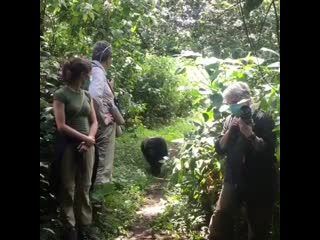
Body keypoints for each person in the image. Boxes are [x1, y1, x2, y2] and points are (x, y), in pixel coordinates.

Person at [208, 82, 278, 240]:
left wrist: (250, 134)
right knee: (221, 220)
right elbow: (219, 148)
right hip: (233, 178)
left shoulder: (262, 118)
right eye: (230, 103)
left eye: (235, 102)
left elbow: (268, 151)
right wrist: (230, 131)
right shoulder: (230, 119)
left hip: (260, 182)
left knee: (258, 227)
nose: (232, 106)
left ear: (246, 99)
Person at [53, 58, 98, 240]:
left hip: (87, 147)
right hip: (69, 147)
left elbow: (94, 121)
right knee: (68, 187)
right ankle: (70, 228)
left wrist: (90, 139)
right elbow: (61, 125)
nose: (90, 77)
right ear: (82, 74)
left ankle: (85, 226)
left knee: (85, 186)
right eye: (88, 73)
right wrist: (84, 138)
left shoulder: (87, 95)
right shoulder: (61, 94)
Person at [88, 41, 116, 186]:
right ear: (107, 58)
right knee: (103, 161)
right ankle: (99, 198)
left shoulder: (91, 69)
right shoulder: (98, 72)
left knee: (96, 160)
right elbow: (93, 96)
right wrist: (102, 117)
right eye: (111, 57)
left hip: (92, 123)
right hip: (102, 125)